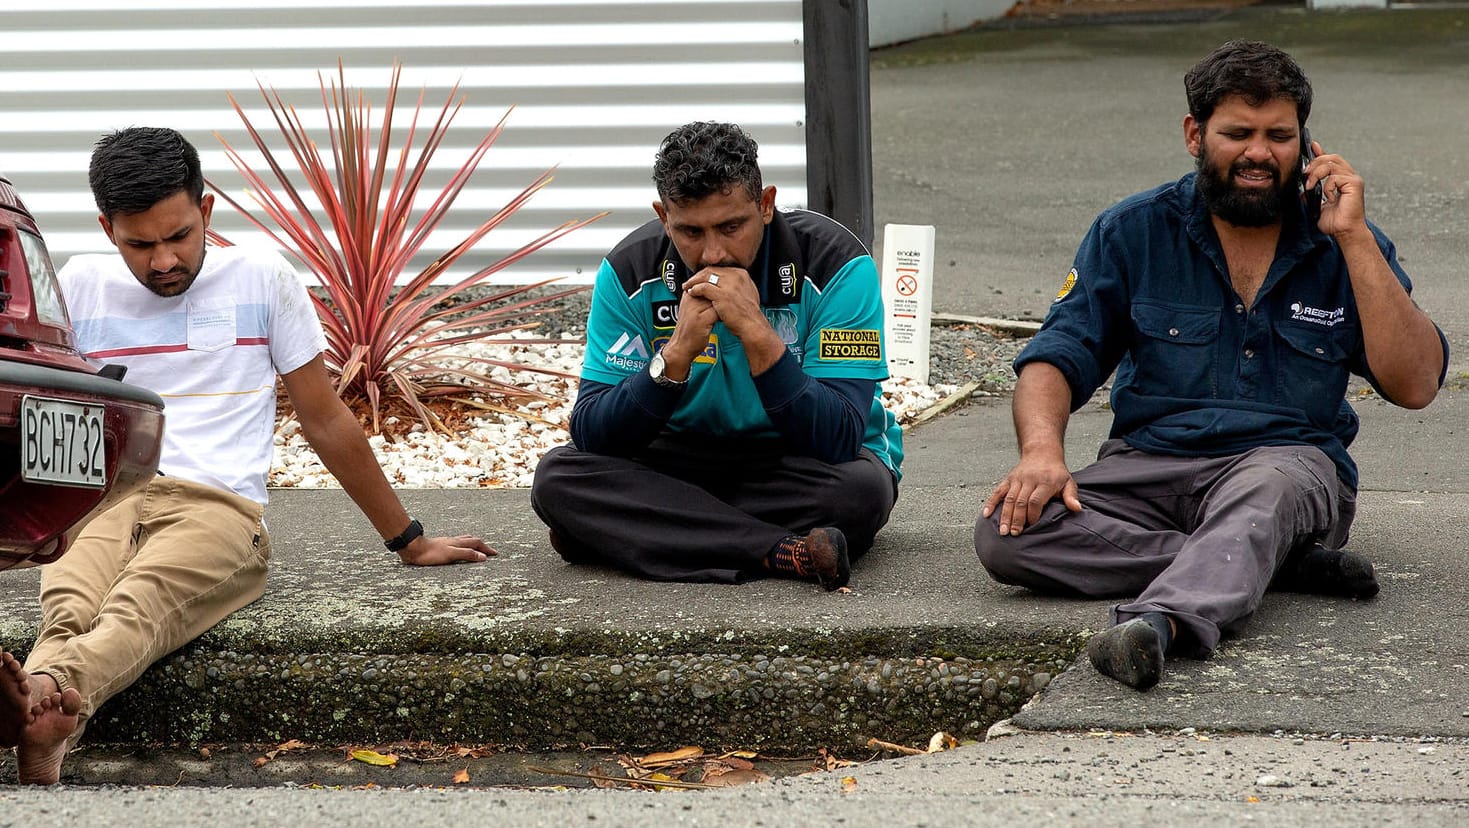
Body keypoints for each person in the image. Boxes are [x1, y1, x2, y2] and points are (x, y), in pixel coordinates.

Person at [0, 127, 494, 784]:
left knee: (138, 603)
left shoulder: (261, 278)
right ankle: (47, 726)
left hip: (217, 507)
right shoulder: (82, 284)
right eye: (139, 244)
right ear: (106, 228)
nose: (162, 261)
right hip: (108, 500)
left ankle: (46, 693)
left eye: (179, 235)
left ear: (206, 212)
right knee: (69, 600)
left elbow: (324, 419)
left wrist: (408, 539)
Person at [973, 41, 1447, 691]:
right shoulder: (1131, 230)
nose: (1258, 152)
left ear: (1305, 144)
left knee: (1265, 488)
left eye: (1278, 135)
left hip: (1286, 466)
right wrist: (1040, 455)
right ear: (1194, 135)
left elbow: (1415, 383)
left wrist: (1355, 239)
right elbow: (1058, 354)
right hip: (1148, 466)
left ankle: (1162, 621)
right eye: (1237, 133)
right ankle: (1266, 565)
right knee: (1007, 533)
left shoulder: (1343, 240)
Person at [530, 121, 902, 589]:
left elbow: (839, 437)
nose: (712, 253)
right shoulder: (628, 271)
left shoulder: (837, 265)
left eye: (731, 226)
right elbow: (593, 433)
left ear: (765, 205)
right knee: (558, 479)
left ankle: (637, 531)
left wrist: (759, 335)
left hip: (794, 463)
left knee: (859, 494)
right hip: (681, 458)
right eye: (689, 231)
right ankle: (782, 552)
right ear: (663, 216)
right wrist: (675, 356)